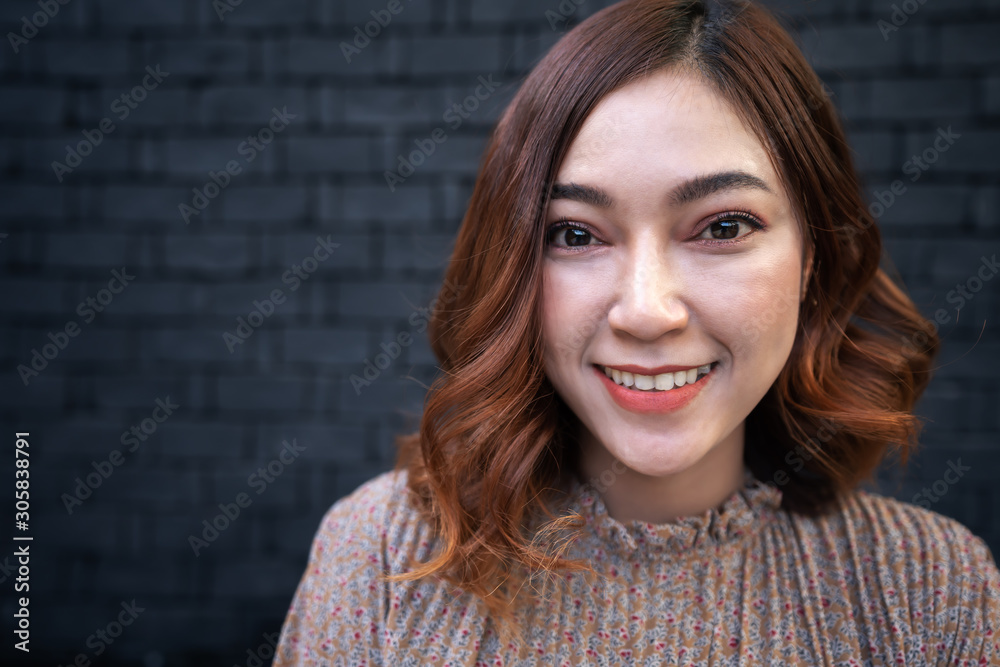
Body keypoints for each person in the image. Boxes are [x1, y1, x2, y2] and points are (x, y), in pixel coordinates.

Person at [273, 0, 1000, 664]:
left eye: (723, 226)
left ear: (813, 259)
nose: (647, 311)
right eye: (576, 233)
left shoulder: (932, 591)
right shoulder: (383, 558)